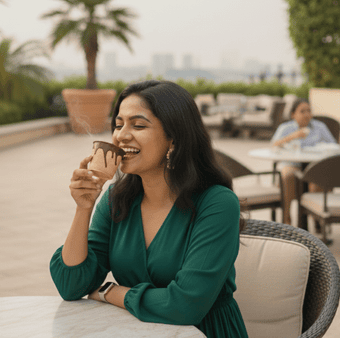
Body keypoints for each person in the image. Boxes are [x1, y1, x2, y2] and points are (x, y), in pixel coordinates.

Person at [50, 80, 248, 338]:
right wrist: (83, 209)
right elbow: (71, 285)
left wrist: (111, 292)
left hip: (203, 332)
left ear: (174, 139)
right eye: (119, 124)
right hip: (135, 331)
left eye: (139, 125)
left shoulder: (217, 204)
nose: (121, 135)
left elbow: (185, 306)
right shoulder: (116, 199)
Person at [271, 99, 336, 225]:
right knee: (287, 175)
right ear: (293, 114)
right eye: (302, 111)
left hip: (314, 164)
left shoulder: (319, 127)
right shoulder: (286, 128)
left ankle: (317, 220)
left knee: (317, 179)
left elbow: (333, 146)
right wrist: (293, 136)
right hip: (292, 163)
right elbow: (273, 145)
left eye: (309, 111)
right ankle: (287, 218)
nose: (307, 114)